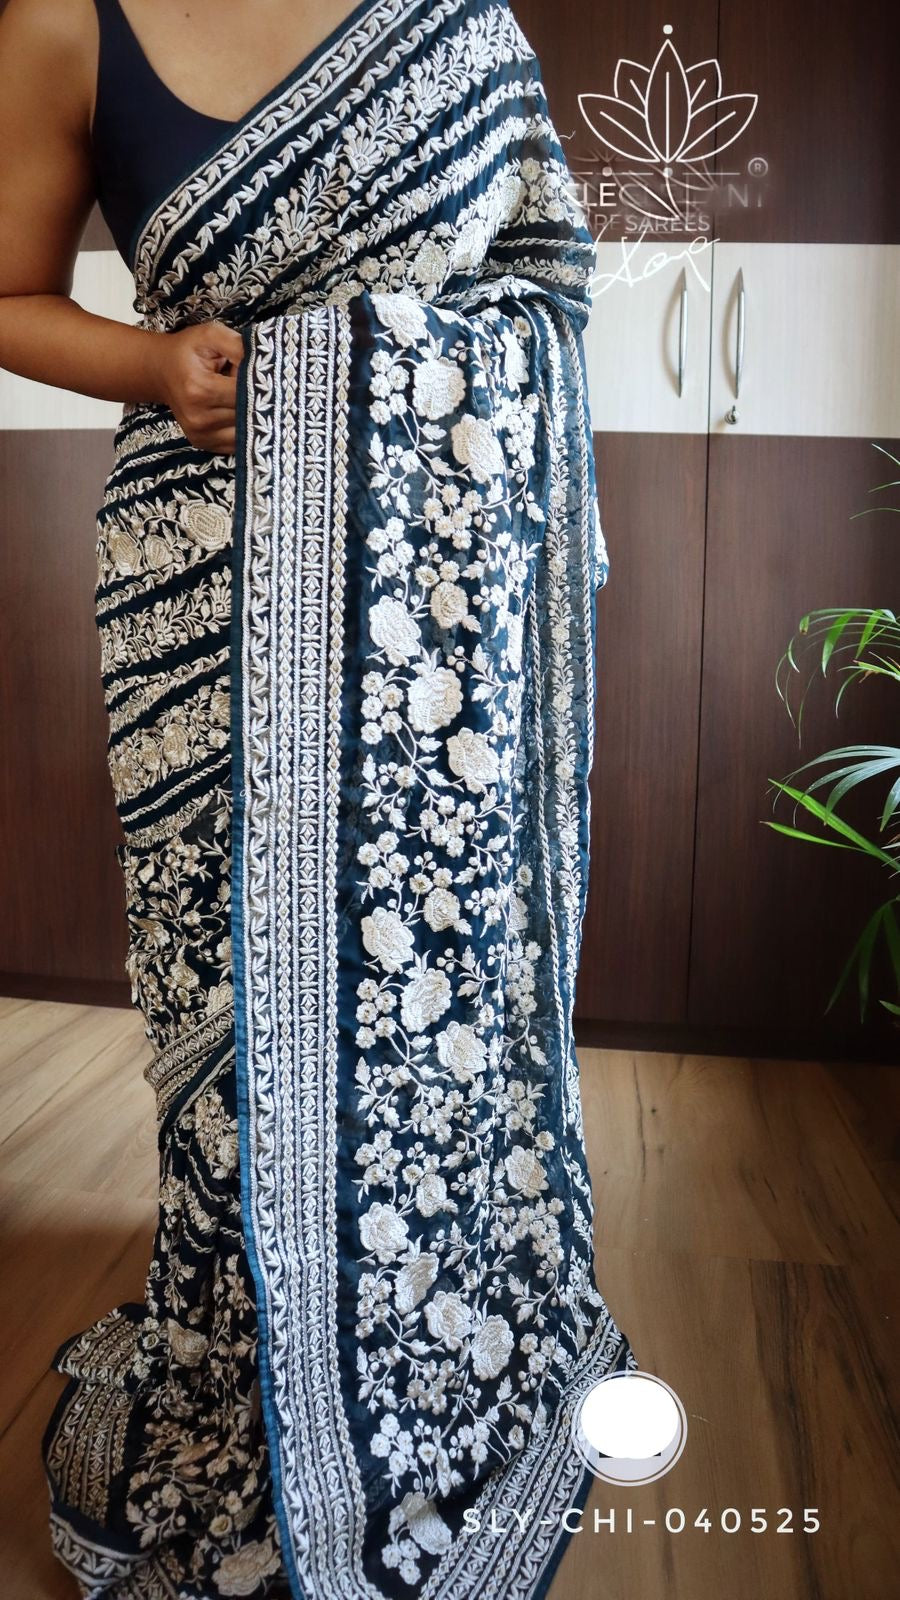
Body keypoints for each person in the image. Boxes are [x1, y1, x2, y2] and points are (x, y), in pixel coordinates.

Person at [0, 0, 638, 1595]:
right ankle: (242, 1365)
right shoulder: (63, 22)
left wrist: (396, 384)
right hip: (195, 602)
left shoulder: (457, 24)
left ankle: (426, 1353)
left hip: (436, 642)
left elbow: (545, 286)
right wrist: (154, 364)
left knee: (426, 1004)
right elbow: (8, 296)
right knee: (220, 1011)